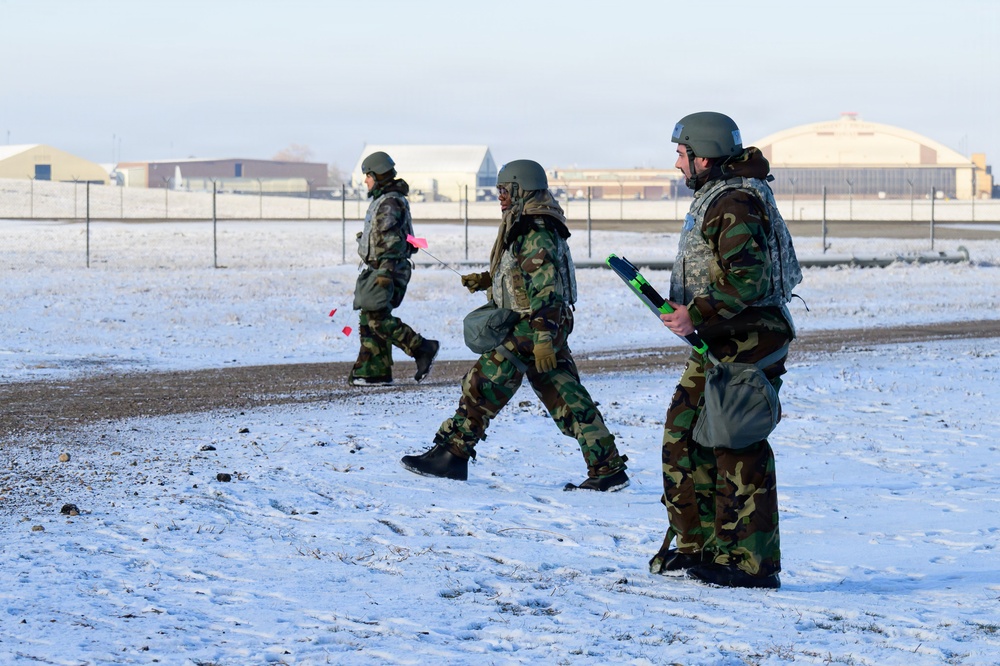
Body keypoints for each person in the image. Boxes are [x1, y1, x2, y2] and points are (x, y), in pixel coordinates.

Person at [400, 159, 629, 491]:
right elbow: (525, 274)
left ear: (523, 190)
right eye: (499, 190)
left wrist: (543, 339)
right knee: (566, 396)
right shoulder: (530, 223)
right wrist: (488, 280)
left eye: (505, 190)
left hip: (533, 325)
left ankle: (452, 454)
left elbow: (546, 289)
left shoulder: (534, 230)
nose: (500, 197)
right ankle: (607, 467)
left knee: (482, 384)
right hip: (544, 323)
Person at [649, 112, 797, 589]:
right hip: (722, 337)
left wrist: (696, 312)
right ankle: (704, 548)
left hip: (750, 340)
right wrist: (696, 315)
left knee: (736, 444)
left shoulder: (733, 202)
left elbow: (749, 278)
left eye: (682, 154)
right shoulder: (721, 195)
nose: (678, 163)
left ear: (704, 156)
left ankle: (751, 564)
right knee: (685, 436)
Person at [348, 151, 438, 386]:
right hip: (380, 267)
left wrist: (386, 272)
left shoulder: (389, 202)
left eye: (368, 176)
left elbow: (392, 240)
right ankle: (373, 371)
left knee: (377, 318)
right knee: (369, 316)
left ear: (378, 175)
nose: (366, 181)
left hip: (388, 268)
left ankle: (422, 348)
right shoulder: (385, 199)